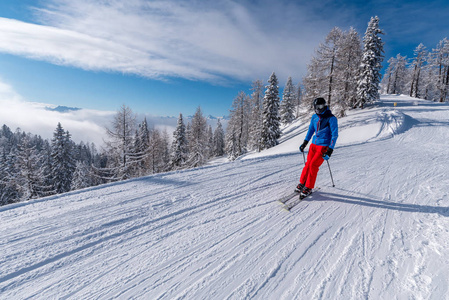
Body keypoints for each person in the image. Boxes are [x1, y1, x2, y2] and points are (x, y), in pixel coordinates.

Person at [296, 97, 338, 198]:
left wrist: (330, 150)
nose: (319, 109)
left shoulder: (331, 118)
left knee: (313, 165)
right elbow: (310, 130)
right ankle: (303, 183)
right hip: (313, 145)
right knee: (308, 164)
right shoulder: (314, 117)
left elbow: (334, 135)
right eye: (316, 107)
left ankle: (309, 187)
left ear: (324, 106)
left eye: (320, 106)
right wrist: (305, 142)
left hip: (323, 146)